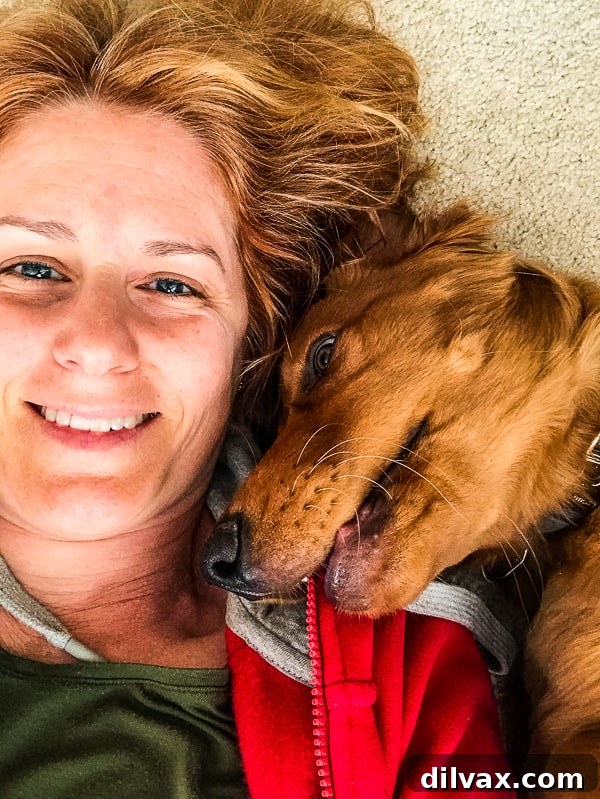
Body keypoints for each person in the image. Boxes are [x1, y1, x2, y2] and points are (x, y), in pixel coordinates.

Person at [0, 0, 519, 796]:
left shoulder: (408, 653)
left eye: (172, 283)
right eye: (31, 267)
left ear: (253, 341)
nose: (98, 343)